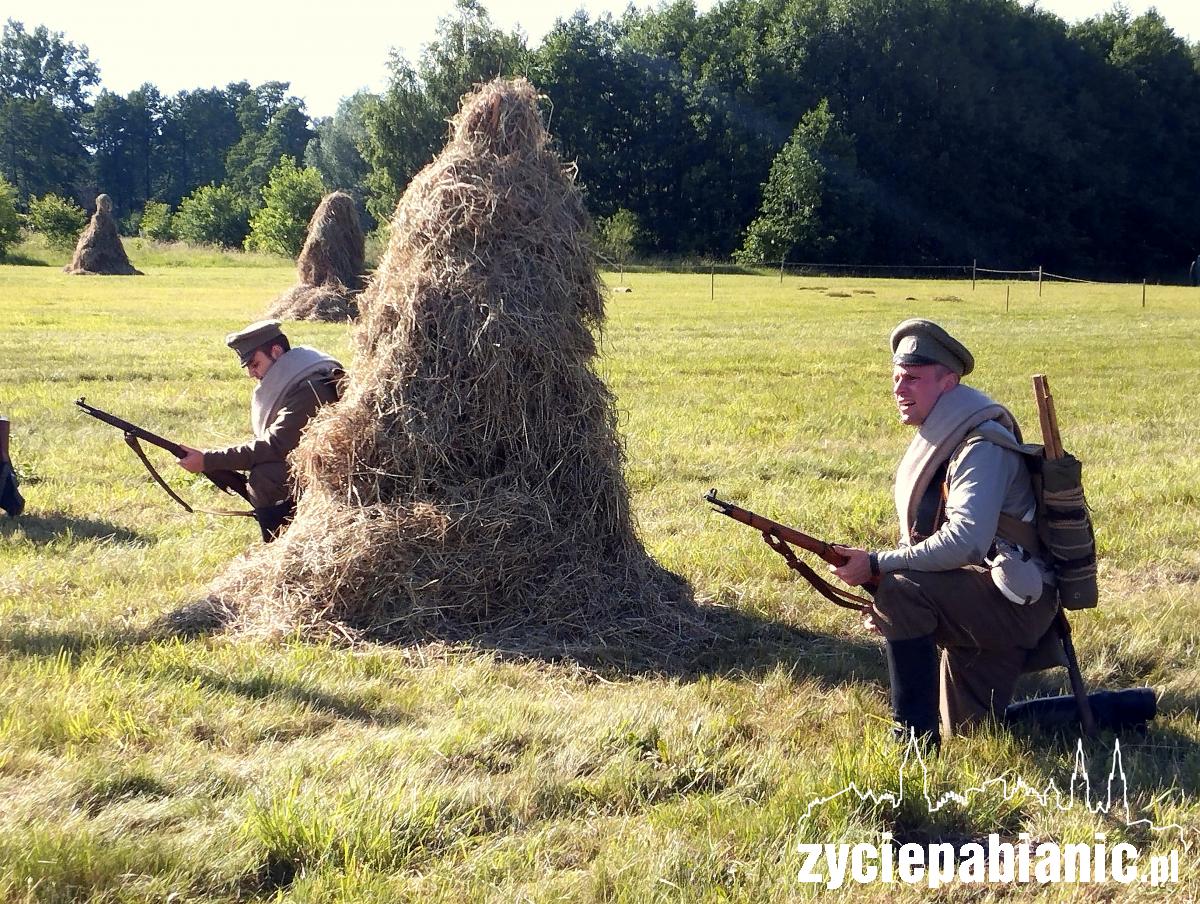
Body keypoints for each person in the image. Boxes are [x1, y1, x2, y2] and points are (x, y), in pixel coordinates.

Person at [831, 319, 1058, 747]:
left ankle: (912, 743)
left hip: (1015, 605)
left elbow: (965, 541)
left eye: (913, 379)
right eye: (897, 377)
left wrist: (879, 566)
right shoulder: (946, 435)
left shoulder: (980, 446)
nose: (899, 389)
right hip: (987, 594)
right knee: (977, 734)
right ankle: (1126, 708)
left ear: (949, 382)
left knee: (900, 591)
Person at [178, 320, 342, 542]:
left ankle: (284, 545)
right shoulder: (298, 378)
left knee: (267, 476)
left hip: (330, 471)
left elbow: (275, 446)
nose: (252, 373)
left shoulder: (309, 388)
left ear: (276, 352)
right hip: (315, 461)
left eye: (255, 364)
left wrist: (208, 460)